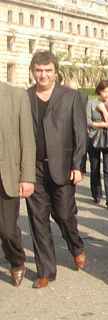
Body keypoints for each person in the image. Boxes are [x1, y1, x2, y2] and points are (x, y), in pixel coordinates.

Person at [26, 51, 87, 288]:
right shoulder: (26, 97)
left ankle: (76, 246)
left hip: (62, 167)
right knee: (37, 219)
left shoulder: (71, 97)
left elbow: (80, 133)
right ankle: (46, 271)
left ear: (56, 72)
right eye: (39, 71)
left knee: (63, 215)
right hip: (34, 168)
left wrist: (78, 165)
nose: (43, 75)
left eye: (48, 70)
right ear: (33, 72)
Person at [0, 82, 36, 286]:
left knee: (6, 229)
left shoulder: (15, 96)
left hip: (7, 173)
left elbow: (27, 140)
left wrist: (27, 176)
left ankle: (16, 259)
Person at [87, 80, 108, 210]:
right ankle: (96, 194)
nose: (106, 94)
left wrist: (104, 110)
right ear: (99, 91)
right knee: (94, 168)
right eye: (104, 91)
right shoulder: (91, 103)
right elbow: (88, 122)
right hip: (93, 138)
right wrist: (101, 125)